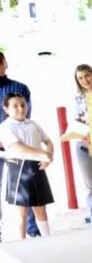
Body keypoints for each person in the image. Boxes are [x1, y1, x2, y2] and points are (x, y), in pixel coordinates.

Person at [0, 93, 53, 239]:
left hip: (37, 167)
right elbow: (18, 148)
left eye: (23, 105)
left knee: (41, 207)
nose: (20, 109)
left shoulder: (33, 124)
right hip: (19, 168)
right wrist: (42, 153)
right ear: (6, 109)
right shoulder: (5, 127)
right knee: (22, 211)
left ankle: (48, 238)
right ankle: (22, 243)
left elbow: (48, 141)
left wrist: (49, 155)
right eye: (15, 106)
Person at [0, 52, 40, 239]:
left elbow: (25, 117)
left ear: (5, 64)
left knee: (27, 186)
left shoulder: (19, 88)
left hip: (19, 146)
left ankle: (33, 231)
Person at [72, 64, 92, 228]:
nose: (85, 80)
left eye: (87, 76)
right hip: (84, 146)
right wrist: (88, 142)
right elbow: (77, 125)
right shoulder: (78, 99)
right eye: (80, 78)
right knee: (91, 188)